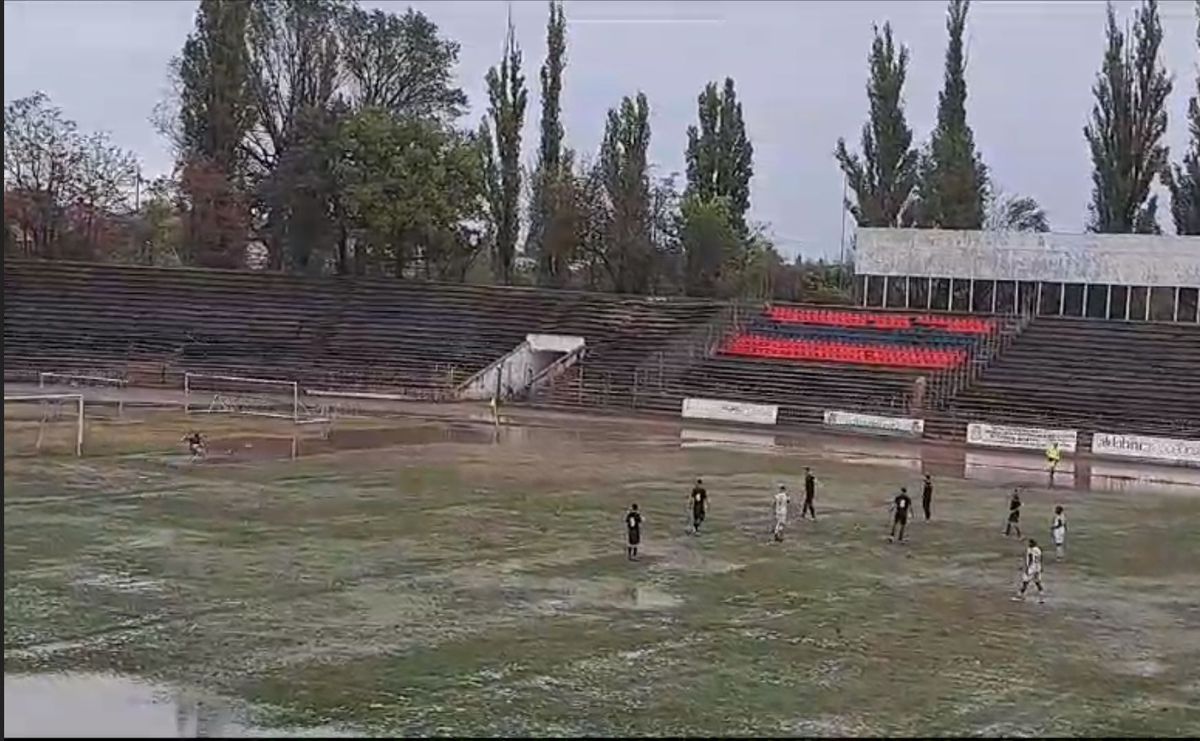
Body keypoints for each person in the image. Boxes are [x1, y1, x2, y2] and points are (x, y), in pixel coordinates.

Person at [1013, 538, 1045, 603]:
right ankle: (1041, 598)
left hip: (1032, 568)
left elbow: (1030, 559)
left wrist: (1027, 568)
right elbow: (1040, 559)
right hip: (1038, 567)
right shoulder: (1039, 550)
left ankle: (1021, 596)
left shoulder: (1030, 550)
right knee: (1037, 582)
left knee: (1025, 582)